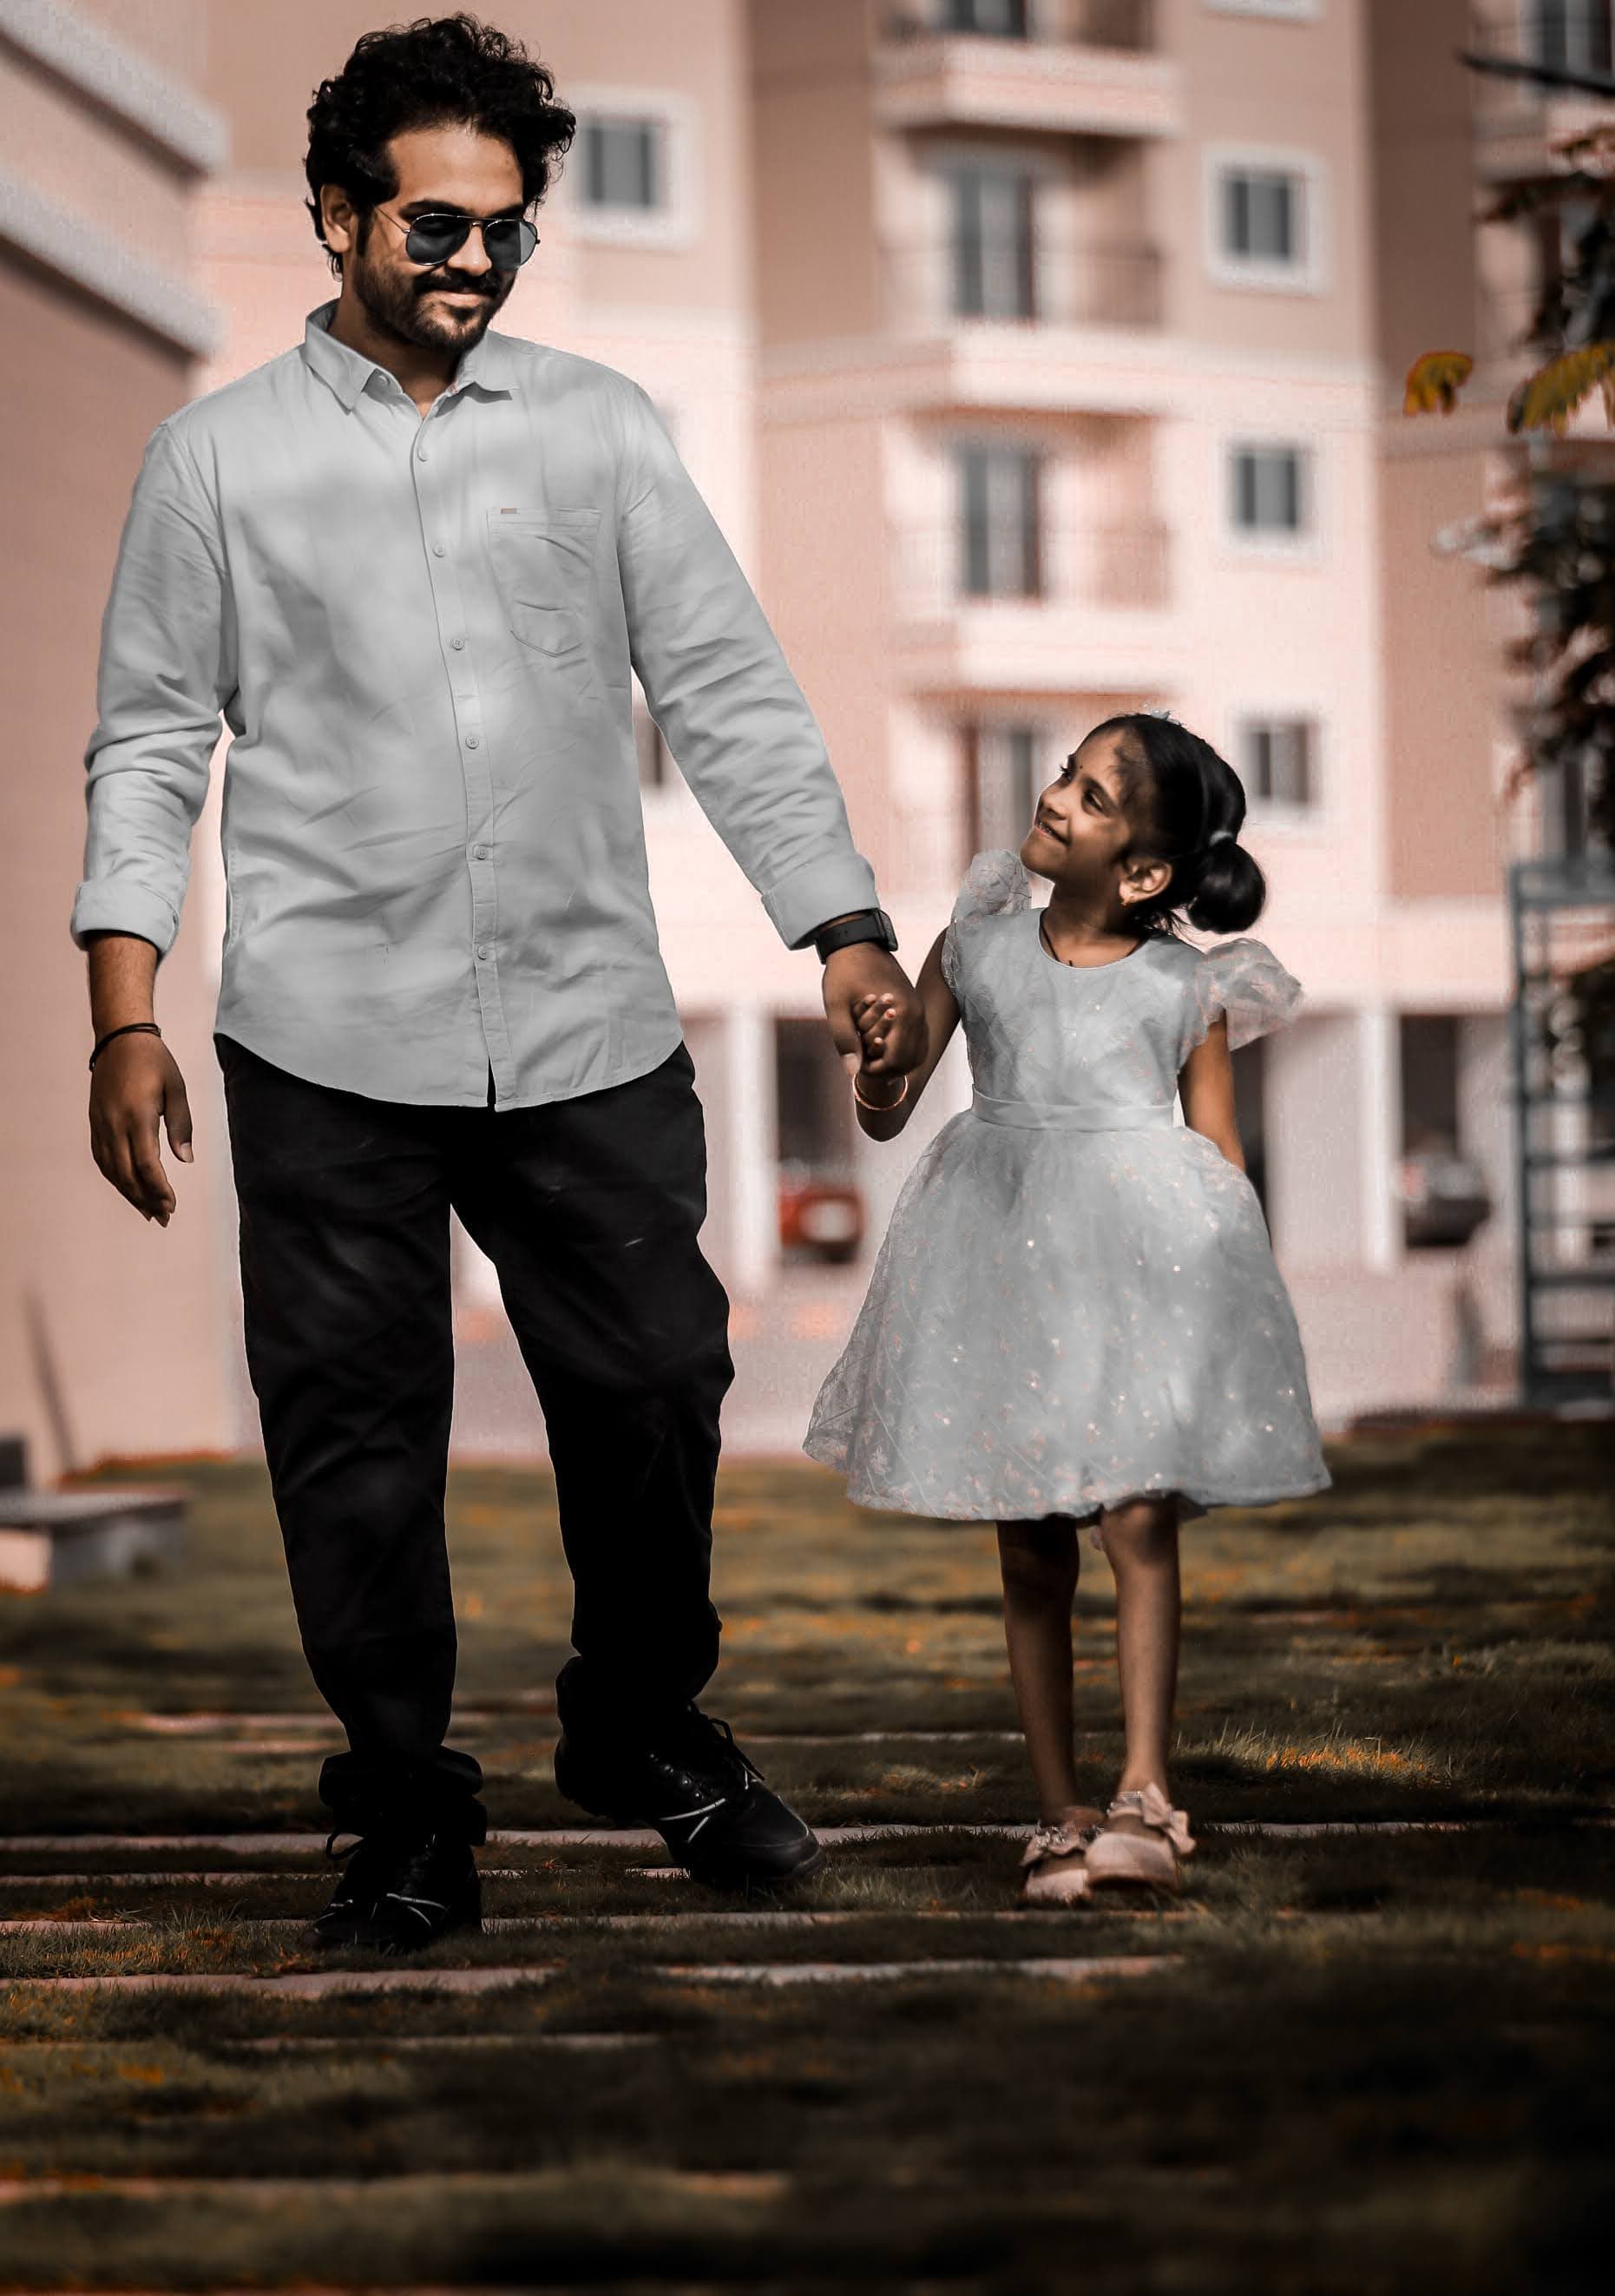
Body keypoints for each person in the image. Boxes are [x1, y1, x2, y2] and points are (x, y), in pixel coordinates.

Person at [73, 14, 925, 1951]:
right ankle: (399, 1805)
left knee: (656, 1389)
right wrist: (125, 1007)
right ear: (334, 217)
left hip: (582, 1032)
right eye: (436, 227)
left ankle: (636, 1731)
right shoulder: (214, 464)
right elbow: (144, 746)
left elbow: (725, 689)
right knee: (353, 1444)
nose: (472, 264)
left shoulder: (606, 428)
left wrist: (844, 927)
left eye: (506, 235)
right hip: (321, 1037)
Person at [804, 714, 1329, 1905]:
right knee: (1029, 1541)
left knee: (1136, 1520)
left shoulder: (1182, 985)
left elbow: (1217, 1158)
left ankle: (1145, 1793)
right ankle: (1057, 1812)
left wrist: (1219, 1310)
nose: (1056, 797)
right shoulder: (975, 944)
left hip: (1141, 1270)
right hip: (997, 1258)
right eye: (1064, 774)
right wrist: (879, 1054)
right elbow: (893, 1108)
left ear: (1143, 869)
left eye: (1092, 796)